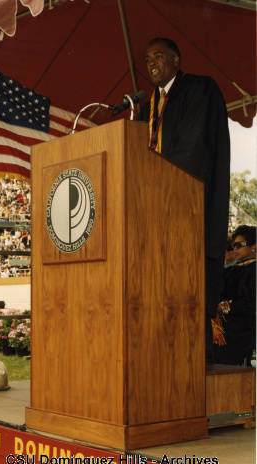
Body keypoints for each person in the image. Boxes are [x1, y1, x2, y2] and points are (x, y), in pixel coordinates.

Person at [140, 38, 230, 362]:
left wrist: (155, 171)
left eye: (159, 56)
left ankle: (191, 367)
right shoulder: (145, 105)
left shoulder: (201, 90)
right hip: (156, 212)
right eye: (148, 58)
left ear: (176, 60)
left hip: (190, 208)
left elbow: (195, 150)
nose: (151, 63)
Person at [214, 225, 256, 365]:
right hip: (224, 329)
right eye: (233, 246)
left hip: (241, 332)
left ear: (254, 246)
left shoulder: (253, 270)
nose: (235, 249)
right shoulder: (232, 269)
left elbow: (251, 303)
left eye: (239, 245)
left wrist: (226, 307)